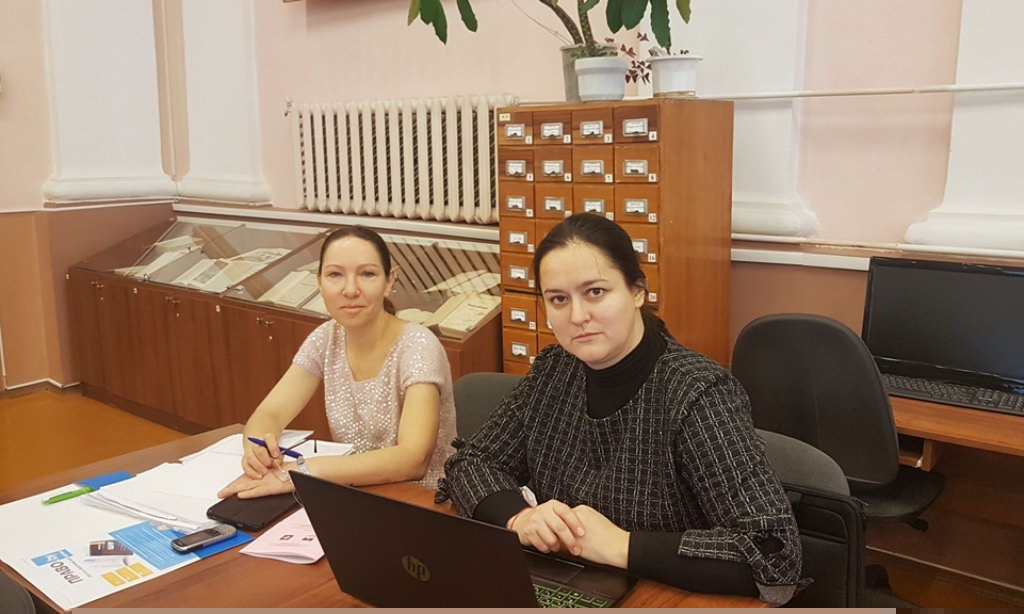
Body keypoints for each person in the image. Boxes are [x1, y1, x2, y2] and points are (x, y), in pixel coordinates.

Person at [438, 214, 804, 605]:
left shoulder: (697, 392)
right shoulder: (554, 371)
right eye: (559, 299)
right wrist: (520, 517)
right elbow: (473, 462)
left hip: (667, 598)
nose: (577, 316)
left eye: (595, 292)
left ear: (637, 291)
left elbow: (772, 551)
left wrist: (621, 545)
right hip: (570, 586)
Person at [218, 226, 456, 499]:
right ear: (319, 282)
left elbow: (412, 460)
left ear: (389, 281)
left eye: (367, 274)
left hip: (422, 501)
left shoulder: (419, 345)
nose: (350, 289)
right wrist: (258, 450)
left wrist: (302, 470)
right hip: (354, 493)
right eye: (335, 275)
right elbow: (270, 413)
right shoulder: (326, 337)